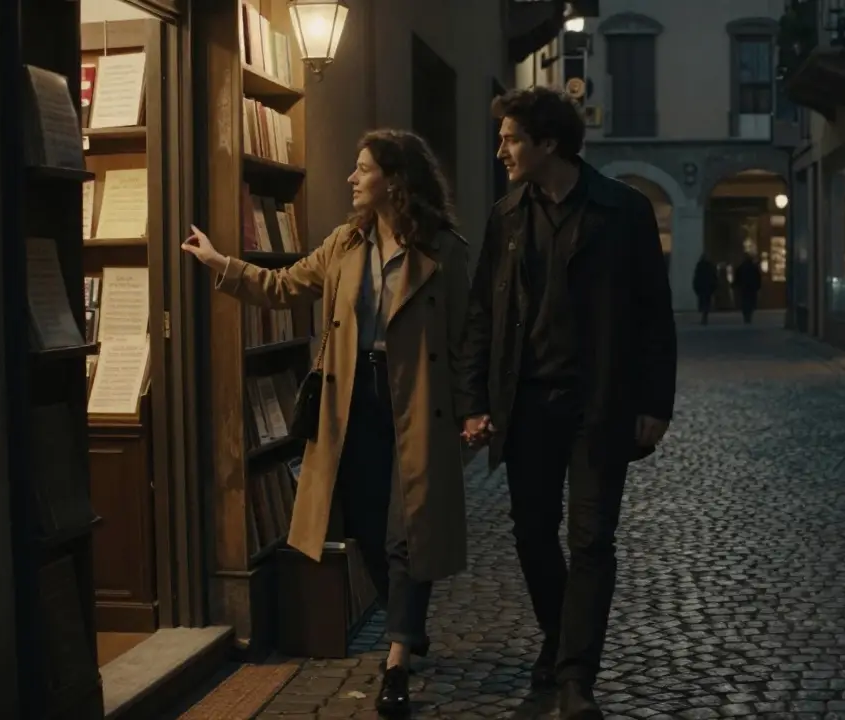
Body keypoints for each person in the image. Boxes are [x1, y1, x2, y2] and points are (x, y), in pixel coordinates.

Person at [181, 129, 470, 716]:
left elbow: (468, 336)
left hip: (416, 403)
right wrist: (221, 264)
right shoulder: (345, 244)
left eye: (362, 168)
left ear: (394, 178)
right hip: (352, 401)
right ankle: (406, 624)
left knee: (405, 529)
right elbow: (285, 286)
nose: (351, 178)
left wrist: (474, 409)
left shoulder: (443, 249)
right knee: (364, 525)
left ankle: (394, 663)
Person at [455, 86, 677, 719]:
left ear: (547, 143)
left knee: (591, 540)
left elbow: (654, 315)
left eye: (511, 138)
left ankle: (575, 677)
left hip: (599, 403)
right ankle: (561, 638)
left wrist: (656, 402)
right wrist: (475, 401)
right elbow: (481, 316)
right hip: (526, 406)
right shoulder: (507, 216)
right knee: (531, 534)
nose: (501, 149)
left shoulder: (623, 210)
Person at [733, 253, 762, 324]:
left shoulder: (741, 267)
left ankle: (746, 315)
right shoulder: (754, 267)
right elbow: (758, 278)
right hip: (752, 288)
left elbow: (737, 277)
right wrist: (758, 286)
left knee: (745, 301)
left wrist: (736, 285)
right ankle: (749, 315)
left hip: (744, 288)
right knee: (751, 301)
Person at [692, 253, 718, 324]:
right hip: (708, 287)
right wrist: (714, 287)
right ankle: (705, 316)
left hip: (702, 287)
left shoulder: (699, 266)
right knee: (707, 302)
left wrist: (696, 287)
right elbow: (714, 277)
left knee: (703, 302)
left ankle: (704, 316)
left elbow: (696, 278)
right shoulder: (710, 266)